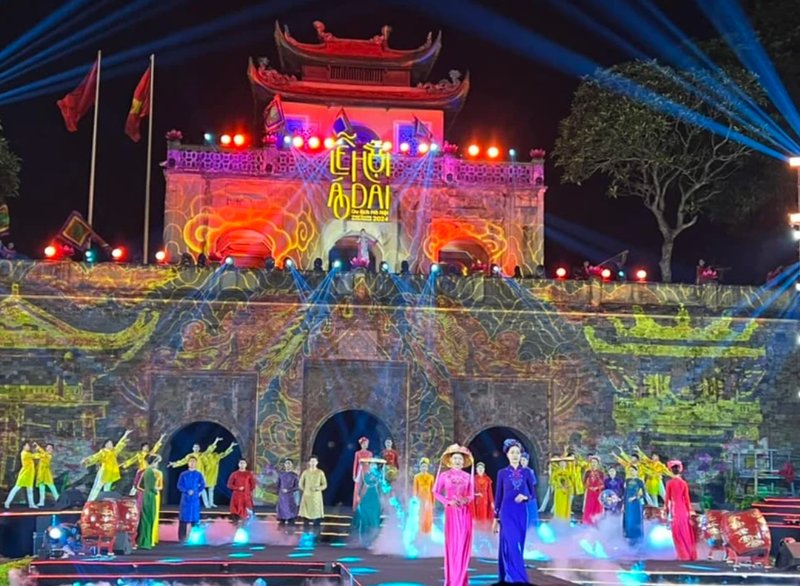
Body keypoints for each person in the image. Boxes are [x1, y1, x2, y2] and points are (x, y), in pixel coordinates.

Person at [493, 439, 536, 584]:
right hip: (506, 512)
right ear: (507, 455)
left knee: (519, 543)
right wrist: (495, 518)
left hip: (521, 512)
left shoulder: (527, 472)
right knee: (511, 542)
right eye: (513, 453)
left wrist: (525, 497)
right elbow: (498, 496)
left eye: (518, 452)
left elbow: (533, 495)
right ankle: (517, 577)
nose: (515, 455)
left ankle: (510, 574)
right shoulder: (502, 473)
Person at [433, 444, 474, 586]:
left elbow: (472, 495)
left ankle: (461, 579)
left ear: (463, 462)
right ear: (450, 460)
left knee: (463, 546)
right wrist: (448, 502)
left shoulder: (468, 477)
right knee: (453, 546)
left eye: (460, 459)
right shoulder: (444, 476)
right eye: (455, 458)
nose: (457, 461)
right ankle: (452, 580)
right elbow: (436, 492)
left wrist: (466, 499)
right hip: (451, 513)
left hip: (465, 513)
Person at [169, 438, 221, 509]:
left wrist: (216, 441)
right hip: (192, 476)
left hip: (201, 475)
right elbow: (183, 461)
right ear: (193, 448)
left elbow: (210, 450)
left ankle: (206, 505)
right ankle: (192, 503)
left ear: (199, 448)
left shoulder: (202, 455)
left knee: (202, 490)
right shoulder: (190, 456)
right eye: (195, 447)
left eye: (197, 447)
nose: (196, 448)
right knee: (195, 490)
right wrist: (174, 464)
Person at [82, 430, 132, 501]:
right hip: (104, 471)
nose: (111, 445)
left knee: (107, 487)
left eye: (111, 444)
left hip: (110, 472)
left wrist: (125, 435)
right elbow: (96, 457)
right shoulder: (103, 452)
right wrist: (87, 460)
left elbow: (119, 445)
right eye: (110, 444)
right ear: (106, 445)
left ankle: (105, 501)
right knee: (97, 487)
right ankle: (90, 501)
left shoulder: (113, 452)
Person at [664, 461, 697, 561]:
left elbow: (667, 499)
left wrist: (666, 510)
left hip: (675, 510)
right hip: (682, 509)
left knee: (677, 534)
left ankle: (682, 555)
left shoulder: (669, 483)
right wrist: (689, 511)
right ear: (679, 471)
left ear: (671, 471)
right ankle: (687, 554)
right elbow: (687, 499)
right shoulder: (683, 483)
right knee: (685, 532)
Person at [352, 459, 385, 547]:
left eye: (374, 466)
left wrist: (383, 499)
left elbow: (381, 488)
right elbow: (361, 486)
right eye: (371, 465)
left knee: (374, 520)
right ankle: (364, 541)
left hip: (375, 499)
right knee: (364, 519)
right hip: (366, 498)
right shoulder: (365, 475)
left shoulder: (379, 476)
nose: (373, 467)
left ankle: (374, 541)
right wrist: (359, 496)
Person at [4, 441, 42, 509]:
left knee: (30, 490)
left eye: (28, 446)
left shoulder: (27, 453)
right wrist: (38, 448)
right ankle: (7, 502)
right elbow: (37, 456)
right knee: (16, 488)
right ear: (24, 446)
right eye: (27, 446)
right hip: (24, 474)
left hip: (29, 474)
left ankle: (31, 504)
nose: (28, 447)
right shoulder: (24, 453)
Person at [177, 456, 206, 542]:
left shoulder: (199, 474)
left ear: (196, 463)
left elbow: (203, 485)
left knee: (195, 517)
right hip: (185, 498)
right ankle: (182, 539)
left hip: (195, 499)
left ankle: (195, 538)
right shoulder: (183, 474)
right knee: (183, 518)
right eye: (190, 461)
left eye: (194, 461)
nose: (192, 463)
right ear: (188, 463)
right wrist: (186, 491)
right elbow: (179, 485)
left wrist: (197, 491)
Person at [136, 455, 162, 550]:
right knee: (149, 519)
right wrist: (155, 490)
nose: (157, 464)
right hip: (150, 496)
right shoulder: (150, 472)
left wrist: (146, 490)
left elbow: (139, 486)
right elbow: (152, 487)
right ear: (153, 462)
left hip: (146, 495)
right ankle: (146, 542)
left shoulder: (145, 472)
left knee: (145, 519)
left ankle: (144, 541)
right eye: (157, 462)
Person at [203, 441, 237, 508]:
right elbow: (209, 449)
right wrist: (215, 442)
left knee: (211, 489)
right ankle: (206, 504)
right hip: (205, 474)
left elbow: (224, 454)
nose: (213, 448)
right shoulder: (205, 455)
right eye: (212, 447)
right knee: (202, 490)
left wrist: (231, 446)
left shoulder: (216, 456)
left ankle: (211, 503)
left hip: (213, 475)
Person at [299, 455, 327, 532]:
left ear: (317, 462)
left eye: (314, 461)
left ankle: (316, 535)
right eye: (311, 461)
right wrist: (306, 490)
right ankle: (306, 534)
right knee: (306, 518)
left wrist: (317, 488)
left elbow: (324, 485)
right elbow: (300, 484)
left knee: (317, 518)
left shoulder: (320, 472)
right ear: (309, 462)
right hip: (307, 497)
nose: (313, 463)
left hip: (316, 498)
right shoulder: (305, 472)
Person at [623, 465, 645, 545]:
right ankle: (629, 538)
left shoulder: (640, 481)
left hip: (636, 503)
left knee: (636, 520)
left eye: (633, 470)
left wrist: (635, 497)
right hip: (628, 503)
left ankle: (638, 538)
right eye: (630, 470)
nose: (631, 472)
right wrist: (623, 505)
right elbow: (625, 493)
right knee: (628, 520)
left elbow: (643, 494)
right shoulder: (627, 481)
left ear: (636, 471)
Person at [413, 457, 435, 534]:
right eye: (422, 466)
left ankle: (428, 530)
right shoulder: (417, 477)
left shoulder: (431, 477)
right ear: (420, 467)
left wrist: (433, 501)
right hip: (420, 498)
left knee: (428, 514)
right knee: (421, 514)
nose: (424, 468)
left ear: (428, 467)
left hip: (428, 498)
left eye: (425, 466)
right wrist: (415, 499)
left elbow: (433, 490)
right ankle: (421, 530)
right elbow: (415, 489)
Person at [276, 458, 300, 527]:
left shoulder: (294, 475)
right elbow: (278, 485)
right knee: (281, 519)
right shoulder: (281, 474)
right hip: (282, 499)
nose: (287, 465)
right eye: (286, 463)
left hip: (291, 498)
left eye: (289, 463)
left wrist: (289, 490)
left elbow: (297, 486)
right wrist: (279, 492)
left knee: (291, 519)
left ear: (292, 465)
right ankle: (280, 535)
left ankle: (291, 535)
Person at [582, 456, 605, 525]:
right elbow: (584, 482)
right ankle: (588, 523)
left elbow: (604, 484)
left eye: (595, 462)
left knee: (597, 508)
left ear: (598, 463)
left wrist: (597, 488)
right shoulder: (587, 472)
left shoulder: (601, 473)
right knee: (589, 507)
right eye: (592, 462)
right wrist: (589, 487)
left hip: (598, 493)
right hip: (590, 492)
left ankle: (597, 523)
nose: (593, 464)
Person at [352, 437, 372, 510]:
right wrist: (354, 474)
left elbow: (371, 464)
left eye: (366, 444)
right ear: (361, 444)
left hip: (367, 471)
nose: (365, 445)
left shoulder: (370, 453)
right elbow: (355, 464)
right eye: (364, 444)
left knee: (366, 487)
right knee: (358, 488)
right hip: (359, 471)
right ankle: (357, 506)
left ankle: (365, 505)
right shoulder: (357, 453)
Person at [520, 452, 539, 528]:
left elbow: (533, 483)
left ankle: (531, 527)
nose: (523, 462)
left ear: (527, 461)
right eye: (521, 460)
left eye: (524, 460)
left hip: (528, 493)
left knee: (530, 511)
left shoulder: (530, 471)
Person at [472, 462, 494, 527]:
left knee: (485, 516)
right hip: (476, 501)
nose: (480, 469)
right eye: (479, 468)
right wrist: (476, 494)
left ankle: (484, 531)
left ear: (484, 469)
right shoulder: (473, 479)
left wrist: (492, 501)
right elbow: (470, 492)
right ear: (476, 469)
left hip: (485, 500)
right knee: (477, 517)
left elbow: (490, 492)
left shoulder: (487, 479)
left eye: (482, 468)